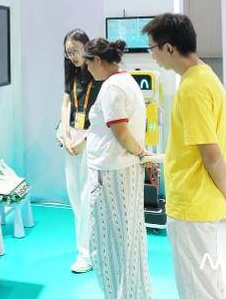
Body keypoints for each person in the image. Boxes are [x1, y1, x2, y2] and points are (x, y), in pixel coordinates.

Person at [142, 13, 226, 299]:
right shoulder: (205, 76)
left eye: (152, 48)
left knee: (197, 288)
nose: (152, 55)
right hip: (201, 200)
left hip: (192, 204)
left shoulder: (192, 88)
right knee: (207, 283)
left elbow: (211, 154)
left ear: (169, 47)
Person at [82, 37, 152, 299]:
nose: (87, 69)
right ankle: (134, 293)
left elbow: (121, 132)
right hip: (125, 168)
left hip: (110, 172)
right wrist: (141, 154)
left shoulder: (112, 87)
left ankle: (120, 294)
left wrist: (141, 152)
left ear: (98, 60)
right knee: (130, 235)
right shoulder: (127, 81)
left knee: (106, 242)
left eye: (88, 63)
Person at [56, 29, 102, 274]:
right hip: (71, 138)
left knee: (87, 198)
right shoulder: (72, 73)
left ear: (86, 46)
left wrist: (85, 139)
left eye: (75, 50)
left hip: (91, 138)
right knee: (74, 195)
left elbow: (100, 113)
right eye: (68, 52)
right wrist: (65, 133)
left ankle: (87, 253)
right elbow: (66, 103)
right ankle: (85, 249)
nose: (72, 56)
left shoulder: (98, 73)